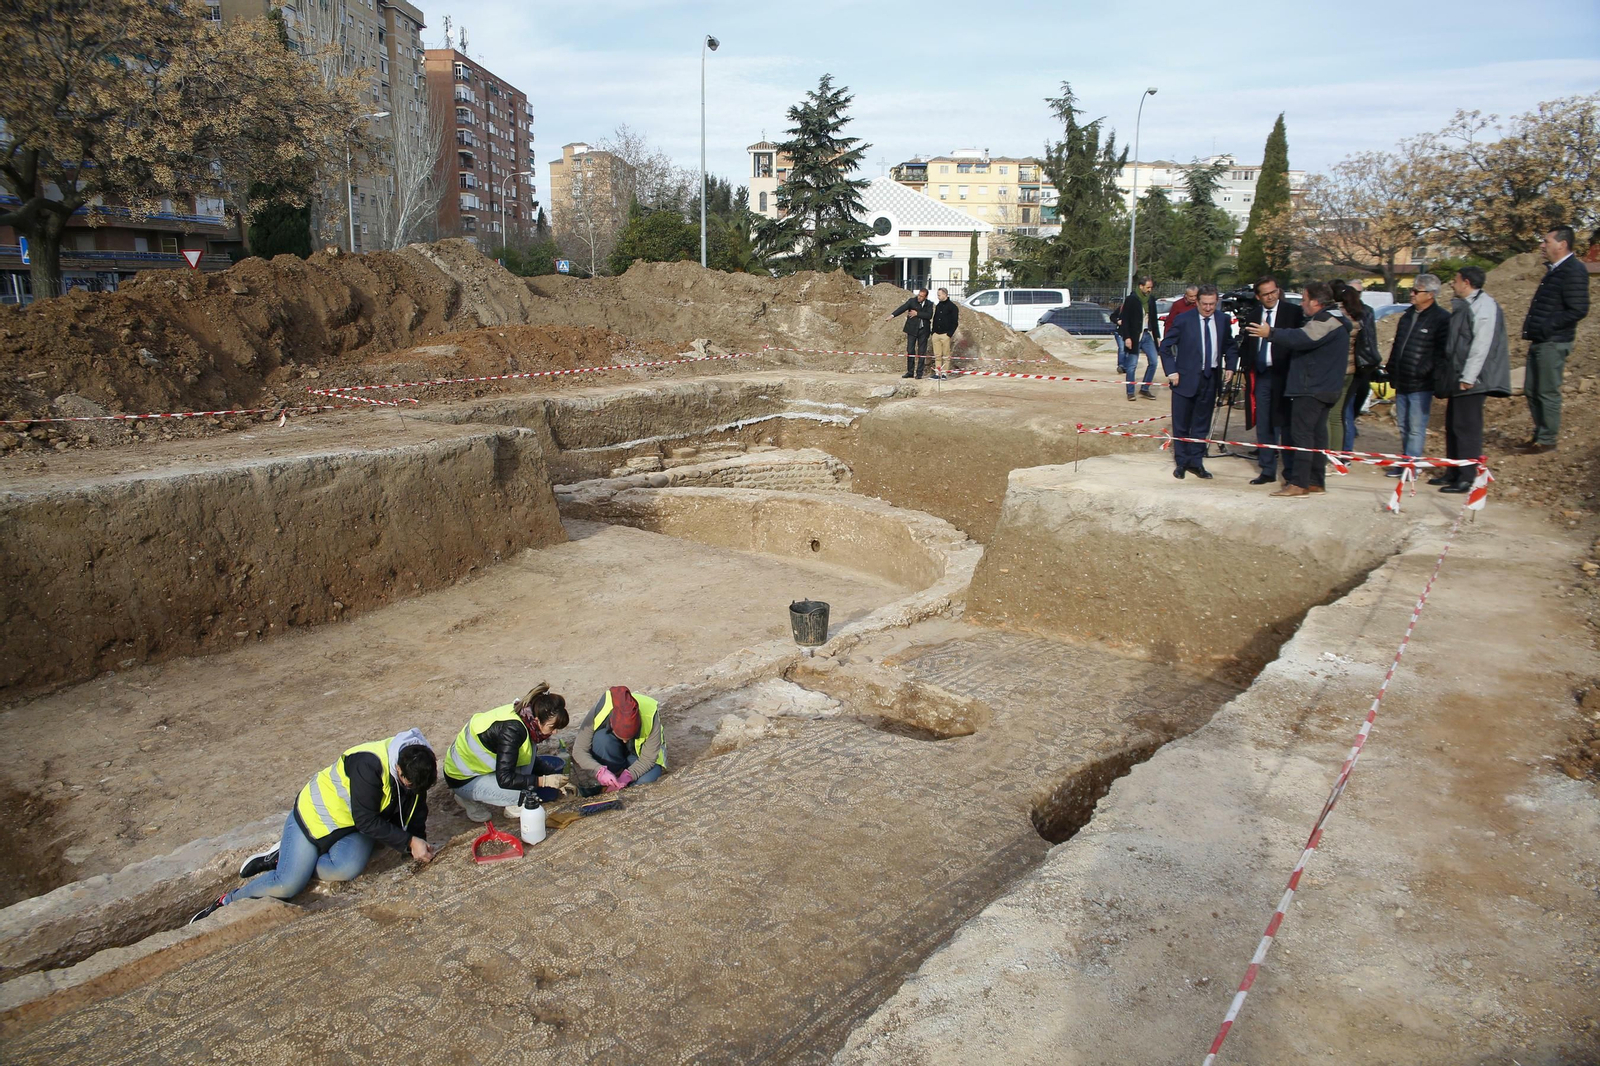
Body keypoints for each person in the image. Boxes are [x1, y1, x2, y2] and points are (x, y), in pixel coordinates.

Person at [190, 729, 437, 922]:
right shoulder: (369, 764)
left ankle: (287, 857)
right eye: (408, 784)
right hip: (316, 819)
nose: (411, 789)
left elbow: (416, 805)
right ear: (398, 768)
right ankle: (226, 902)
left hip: (348, 825)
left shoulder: (417, 764)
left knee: (347, 867)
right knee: (287, 884)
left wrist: (418, 841)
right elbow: (366, 821)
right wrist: (408, 841)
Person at [1246, 281, 1350, 498]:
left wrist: (1270, 333)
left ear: (1315, 302)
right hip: (1322, 387)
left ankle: (1299, 483)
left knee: (1302, 435)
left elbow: (1301, 338)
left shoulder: (1325, 320)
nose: (1301, 304)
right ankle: (1315, 481)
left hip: (1311, 387)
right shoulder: (1335, 318)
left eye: (1304, 299)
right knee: (1317, 435)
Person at [443, 684, 572, 822]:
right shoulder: (512, 731)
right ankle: (466, 797)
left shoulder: (525, 717)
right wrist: (544, 781)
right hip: (462, 778)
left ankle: (491, 793)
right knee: (526, 794)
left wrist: (556, 776)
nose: (555, 732)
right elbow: (505, 778)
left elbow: (529, 759)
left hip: (481, 767)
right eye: (552, 727)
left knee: (528, 769)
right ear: (537, 720)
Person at [1438, 266, 1511, 493]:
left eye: (1456, 279)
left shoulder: (1484, 306)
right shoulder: (1467, 305)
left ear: (1467, 282)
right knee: (1453, 425)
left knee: (1467, 427)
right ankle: (1453, 470)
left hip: (1472, 379)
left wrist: (1469, 376)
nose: (1452, 283)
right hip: (1459, 374)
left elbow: (1481, 346)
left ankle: (1467, 476)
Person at [1519, 225, 1591, 452]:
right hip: (1541, 340)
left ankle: (1547, 439)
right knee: (1532, 389)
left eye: (1546, 241)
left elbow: (1578, 309)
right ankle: (1539, 433)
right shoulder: (1554, 270)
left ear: (1562, 244)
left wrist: (1547, 327)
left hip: (1554, 341)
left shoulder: (1573, 271)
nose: (1542, 245)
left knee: (1546, 390)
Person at [1158, 283, 1237, 480]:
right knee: (1182, 423)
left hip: (1210, 379)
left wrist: (1230, 366)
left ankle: (1197, 461)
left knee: (1201, 424)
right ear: (1197, 302)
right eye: (1204, 304)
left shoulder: (1223, 320)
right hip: (1184, 379)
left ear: (1216, 302)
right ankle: (1182, 462)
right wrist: (1172, 371)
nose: (1208, 308)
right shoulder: (1184, 320)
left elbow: (1230, 345)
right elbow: (1166, 347)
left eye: (1212, 304)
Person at [1235, 275, 1305, 485]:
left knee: (1285, 424)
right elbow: (1248, 346)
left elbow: (1298, 340)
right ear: (1258, 296)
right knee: (1264, 422)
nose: (1270, 297)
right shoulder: (1254, 315)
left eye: (1273, 292)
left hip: (1285, 375)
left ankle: (1291, 472)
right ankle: (1267, 469)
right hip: (1262, 375)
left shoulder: (1293, 313)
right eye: (1265, 294)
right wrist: (1247, 370)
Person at [1383, 273, 1450, 475]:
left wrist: (1422, 371)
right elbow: (1398, 345)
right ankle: (1405, 461)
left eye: (1415, 291)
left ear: (1430, 294)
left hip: (1421, 383)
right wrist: (1391, 368)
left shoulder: (1441, 319)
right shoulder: (1407, 316)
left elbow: (1441, 353)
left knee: (1416, 426)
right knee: (1403, 425)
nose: (1411, 294)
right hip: (1402, 379)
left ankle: (1412, 467)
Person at [571, 685, 665, 793]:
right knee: (602, 740)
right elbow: (579, 750)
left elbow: (648, 759)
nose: (625, 741)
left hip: (638, 755)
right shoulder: (603, 707)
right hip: (612, 747)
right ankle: (613, 774)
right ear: (611, 722)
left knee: (645, 780)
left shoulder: (650, 714)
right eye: (622, 737)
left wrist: (628, 775)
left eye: (628, 738)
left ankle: (621, 779)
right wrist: (599, 771)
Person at [1336, 281, 1379, 453]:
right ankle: (1345, 449)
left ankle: (1345, 451)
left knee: (1344, 412)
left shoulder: (1358, 314)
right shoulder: (1358, 313)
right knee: (1344, 411)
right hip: (1356, 367)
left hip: (1354, 368)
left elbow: (1369, 340)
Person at [1118, 275, 1162, 400]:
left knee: (1154, 362)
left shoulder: (1151, 300)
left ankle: (1145, 388)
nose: (1149, 290)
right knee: (1132, 365)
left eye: (1151, 288)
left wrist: (1157, 336)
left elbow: (1153, 319)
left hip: (1147, 335)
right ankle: (1130, 392)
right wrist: (1127, 337)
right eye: (1148, 287)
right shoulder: (1131, 300)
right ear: (1141, 286)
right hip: (1134, 336)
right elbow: (1125, 320)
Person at [888, 289, 933, 379]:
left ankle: (919, 373)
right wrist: (892, 315)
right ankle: (910, 372)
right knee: (910, 350)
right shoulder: (912, 301)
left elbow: (929, 315)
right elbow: (902, 308)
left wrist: (917, 313)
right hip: (912, 329)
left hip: (923, 331)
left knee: (921, 352)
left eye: (921, 296)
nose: (919, 297)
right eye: (918, 295)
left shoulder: (929, 304)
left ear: (926, 297)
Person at [930, 287, 960, 380]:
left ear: (945, 295)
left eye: (939, 295)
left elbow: (955, 322)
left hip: (945, 335)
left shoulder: (952, 307)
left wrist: (949, 334)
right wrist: (933, 332)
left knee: (946, 355)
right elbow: (935, 319)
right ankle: (937, 373)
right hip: (936, 334)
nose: (938, 296)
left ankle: (944, 374)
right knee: (937, 355)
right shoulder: (938, 305)